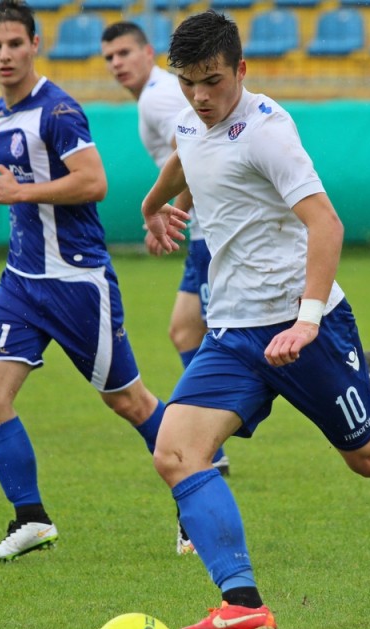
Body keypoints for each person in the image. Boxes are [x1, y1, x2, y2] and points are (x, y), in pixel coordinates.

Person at [140, 10, 370, 629]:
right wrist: (154, 205)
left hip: (307, 330)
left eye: (213, 81)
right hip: (234, 335)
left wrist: (307, 317)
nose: (201, 96)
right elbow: (187, 159)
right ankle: (242, 608)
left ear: (240, 70)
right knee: (176, 451)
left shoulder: (268, 132)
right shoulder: (189, 118)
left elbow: (327, 225)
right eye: (188, 83)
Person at [0, 0, 175, 562]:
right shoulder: (2, 114)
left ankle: (193, 500)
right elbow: (25, 184)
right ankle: (32, 519)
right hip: (22, 282)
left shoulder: (58, 111)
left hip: (77, 283)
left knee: (129, 402)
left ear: (35, 44)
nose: (5, 55)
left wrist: (20, 194)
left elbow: (93, 182)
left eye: (15, 44)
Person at [100, 21, 231, 482]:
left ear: (148, 52)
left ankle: (204, 439)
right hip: (207, 232)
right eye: (109, 57)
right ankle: (208, 441)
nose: (117, 63)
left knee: (244, 343)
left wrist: (172, 215)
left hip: (213, 234)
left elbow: (194, 156)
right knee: (184, 331)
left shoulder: (158, 98)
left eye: (124, 53)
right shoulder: (157, 96)